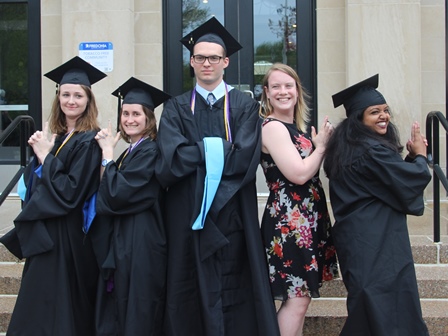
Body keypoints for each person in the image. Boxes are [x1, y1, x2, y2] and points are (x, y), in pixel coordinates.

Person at [155, 17, 280, 335]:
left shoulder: (246, 106)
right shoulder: (175, 108)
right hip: (188, 215)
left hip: (232, 213)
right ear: (191, 61)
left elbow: (244, 160)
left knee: (234, 281)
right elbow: (171, 159)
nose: (206, 63)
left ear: (225, 61)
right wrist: (218, 148)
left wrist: (198, 152)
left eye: (213, 57)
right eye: (199, 57)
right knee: (187, 282)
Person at [0, 56, 106, 335]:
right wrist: (39, 158)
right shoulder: (56, 136)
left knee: (62, 306)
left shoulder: (89, 140)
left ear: (88, 100)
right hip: (46, 232)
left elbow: (71, 192)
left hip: (69, 236)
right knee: (37, 306)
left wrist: (45, 157)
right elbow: (35, 184)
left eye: (78, 95)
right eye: (66, 94)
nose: (71, 101)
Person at [323, 74, 431, 335]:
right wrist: (420, 157)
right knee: (384, 305)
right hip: (378, 241)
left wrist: (408, 159)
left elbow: (384, 183)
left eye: (385, 110)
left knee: (370, 304)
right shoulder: (371, 150)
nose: (384, 116)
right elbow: (408, 181)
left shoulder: (348, 148)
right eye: (374, 112)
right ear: (359, 118)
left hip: (360, 238)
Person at [258, 63, 339, 336]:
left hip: (306, 219)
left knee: (300, 300)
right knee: (297, 299)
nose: (283, 92)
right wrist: (322, 148)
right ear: (266, 93)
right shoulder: (272, 127)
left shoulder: (295, 128)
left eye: (288, 85)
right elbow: (300, 174)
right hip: (289, 222)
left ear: (297, 90)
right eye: (276, 86)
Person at [91, 77, 171, 335]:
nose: (129, 119)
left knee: (139, 307)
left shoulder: (150, 151)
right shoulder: (130, 151)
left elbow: (117, 194)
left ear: (149, 118)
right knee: (124, 305)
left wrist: (106, 156)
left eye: (136, 113)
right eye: (125, 113)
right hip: (128, 238)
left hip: (142, 240)